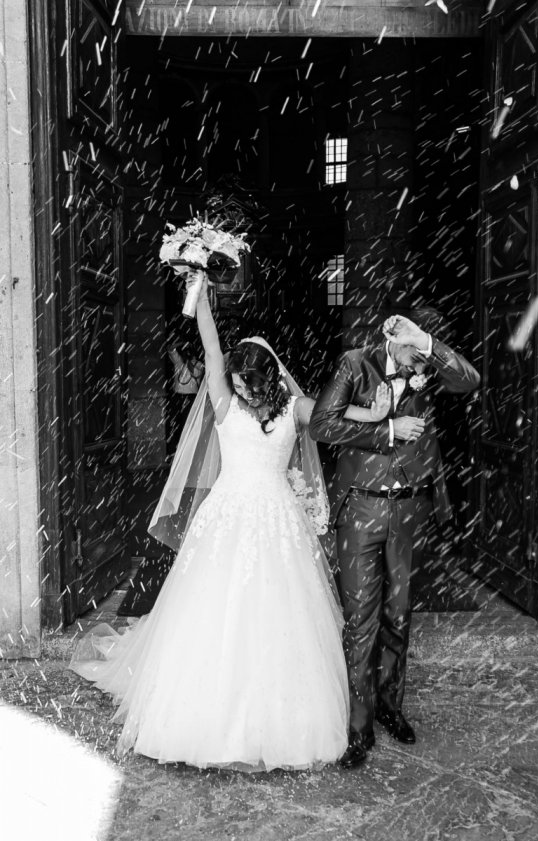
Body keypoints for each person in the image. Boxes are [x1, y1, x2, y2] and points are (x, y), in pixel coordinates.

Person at [69, 270, 389, 772]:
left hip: (279, 520)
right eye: (235, 378)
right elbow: (211, 347)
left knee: (282, 614)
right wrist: (198, 288)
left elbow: (334, 416)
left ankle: (280, 720)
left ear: (269, 376)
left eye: (248, 379)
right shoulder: (222, 402)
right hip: (227, 514)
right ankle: (203, 716)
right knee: (214, 610)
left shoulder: (296, 410)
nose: (239, 386)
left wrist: (378, 418)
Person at [309, 309, 480, 768]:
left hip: (410, 511)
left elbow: (469, 379)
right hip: (361, 509)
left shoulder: (426, 362)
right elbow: (321, 424)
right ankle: (358, 727)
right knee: (361, 619)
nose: (419, 367)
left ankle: (390, 706)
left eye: (424, 357)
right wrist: (385, 429)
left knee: (398, 614)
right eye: (413, 354)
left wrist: (427, 344)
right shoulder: (355, 363)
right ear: (391, 337)